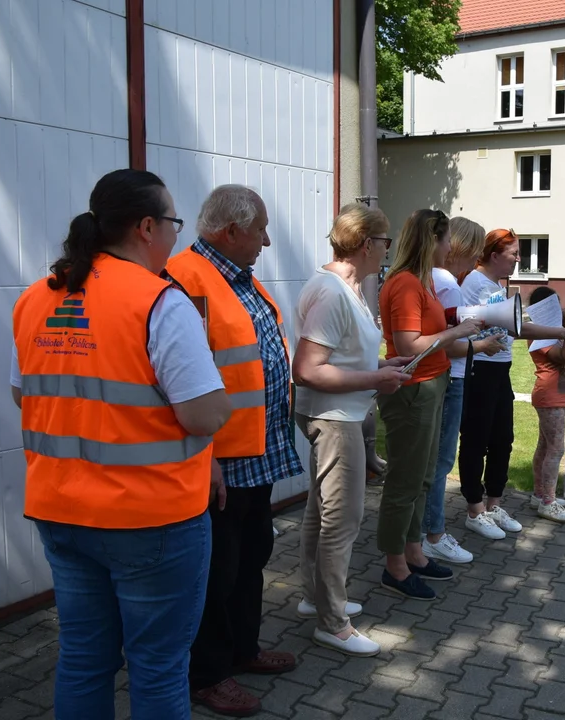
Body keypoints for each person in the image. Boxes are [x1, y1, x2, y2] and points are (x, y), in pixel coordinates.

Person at [11, 169, 231, 719]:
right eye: (175, 224)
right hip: (149, 519)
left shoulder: (37, 298)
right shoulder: (160, 302)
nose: (176, 237)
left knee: (84, 657)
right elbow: (203, 414)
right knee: (157, 668)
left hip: (60, 510)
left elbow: (27, 397)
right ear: (147, 226)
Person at [166, 185, 303, 716]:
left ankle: (243, 649)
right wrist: (206, 456)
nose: (267, 241)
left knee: (252, 558)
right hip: (222, 460)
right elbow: (182, 381)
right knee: (218, 569)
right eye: (260, 230)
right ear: (231, 232)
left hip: (257, 452)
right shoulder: (186, 282)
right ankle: (207, 674)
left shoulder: (238, 277)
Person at [291, 204, 412, 657]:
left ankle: (317, 598)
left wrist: (380, 365)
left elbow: (339, 355)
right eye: (384, 243)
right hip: (335, 419)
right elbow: (307, 369)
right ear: (366, 245)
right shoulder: (332, 291)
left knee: (320, 513)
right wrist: (376, 379)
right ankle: (333, 622)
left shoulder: (346, 287)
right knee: (341, 520)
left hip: (338, 413)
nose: (386, 251)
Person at [459, 229, 565, 541]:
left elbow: (515, 327)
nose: (518, 259)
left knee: (503, 439)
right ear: (494, 255)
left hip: (500, 370)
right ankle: (475, 510)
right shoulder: (474, 283)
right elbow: (466, 323)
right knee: (476, 441)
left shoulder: (495, 284)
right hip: (479, 369)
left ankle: (494, 505)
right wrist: (562, 334)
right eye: (514, 254)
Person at [377, 209, 482, 601]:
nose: (450, 246)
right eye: (445, 239)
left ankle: (414, 551)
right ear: (430, 241)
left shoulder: (420, 282)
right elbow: (408, 346)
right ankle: (395, 566)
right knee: (405, 481)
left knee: (422, 477)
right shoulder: (405, 283)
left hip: (430, 385)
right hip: (413, 390)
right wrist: (457, 330)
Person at [424, 217, 507, 565]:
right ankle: (432, 533)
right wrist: (481, 344)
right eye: (474, 247)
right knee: (440, 460)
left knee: (437, 459)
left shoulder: (438, 279)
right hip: (453, 376)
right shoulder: (448, 282)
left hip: (450, 374)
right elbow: (444, 342)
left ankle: (429, 531)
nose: (476, 254)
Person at [528, 286, 565, 524]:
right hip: (550, 397)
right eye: (555, 304)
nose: (559, 308)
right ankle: (548, 501)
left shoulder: (550, 331)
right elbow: (564, 357)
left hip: (555, 395)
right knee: (556, 449)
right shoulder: (541, 335)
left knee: (545, 446)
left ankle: (539, 494)